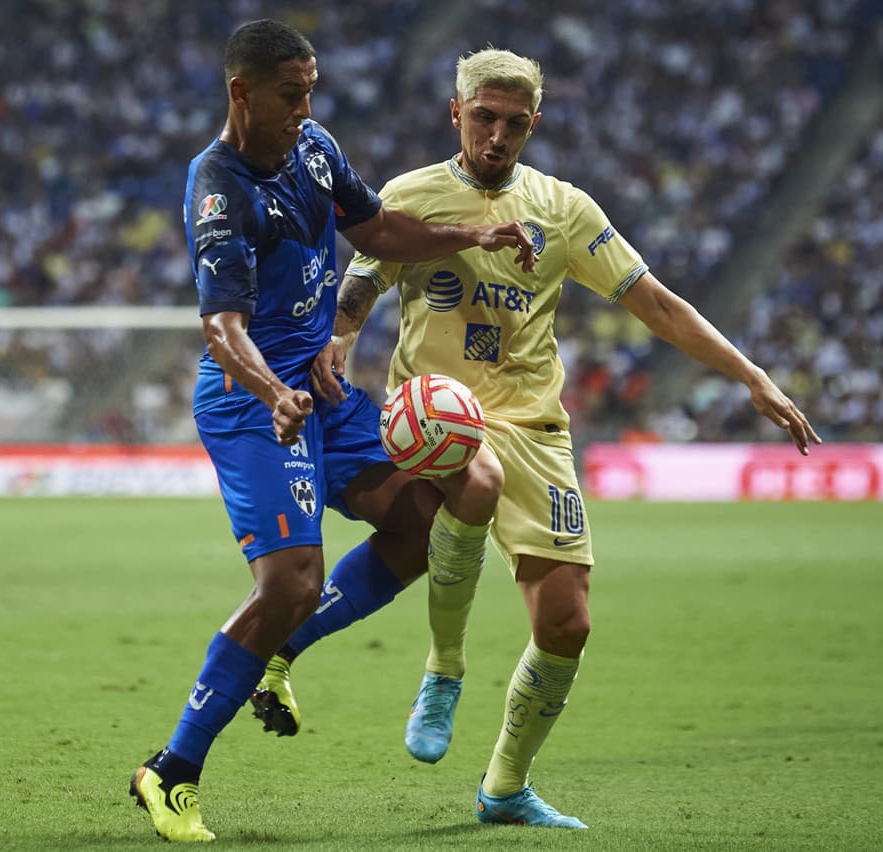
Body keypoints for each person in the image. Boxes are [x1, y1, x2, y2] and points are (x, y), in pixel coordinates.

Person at [252, 46, 821, 830]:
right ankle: (444, 670)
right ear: (456, 113)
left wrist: (752, 375)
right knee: (473, 478)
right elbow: (363, 276)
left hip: (537, 427)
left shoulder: (564, 210)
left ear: (534, 125)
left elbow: (654, 303)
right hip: (438, 415)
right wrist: (343, 337)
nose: (497, 135)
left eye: (515, 123)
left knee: (567, 623)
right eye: (483, 117)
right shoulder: (411, 194)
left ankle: (504, 788)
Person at [129, 21, 540, 843]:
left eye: (311, 91)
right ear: (242, 93)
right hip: (256, 403)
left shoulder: (314, 147)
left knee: (423, 523)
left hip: (322, 394)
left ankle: (278, 657)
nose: (305, 108)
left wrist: (471, 233)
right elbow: (222, 326)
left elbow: (379, 231)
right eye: (291, 94)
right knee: (288, 583)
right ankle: (169, 772)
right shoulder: (217, 189)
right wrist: (274, 389)